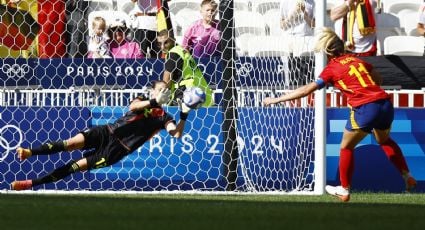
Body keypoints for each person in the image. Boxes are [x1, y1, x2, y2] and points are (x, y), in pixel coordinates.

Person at [263, 27, 417, 202]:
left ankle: (344, 189)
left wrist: (276, 100)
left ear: (328, 52)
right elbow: (378, 79)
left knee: (346, 147)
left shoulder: (332, 69)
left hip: (365, 107)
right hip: (384, 104)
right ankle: (407, 175)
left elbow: (307, 90)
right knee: (384, 140)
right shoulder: (358, 61)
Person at [11, 80, 192, 190]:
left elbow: (175, 134)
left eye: (165, 92)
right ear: (153, 91)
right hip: (107, 131)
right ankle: (29, 152)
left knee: (75, 166)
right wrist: (153, 102)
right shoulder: (141, 99)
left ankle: (31, 184)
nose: (163, 93)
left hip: (117, 150)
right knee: (70, 144)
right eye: (160, 90)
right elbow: (133, 107)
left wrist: (183, 115)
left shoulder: (164, 117)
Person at [157, 29, 213, 106]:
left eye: (166, 42)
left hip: (186, 95)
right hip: (201, 95)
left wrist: (157, 98)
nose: (162, 47)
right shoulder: (182, 51)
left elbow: (166, 82)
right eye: (159, 44)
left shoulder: (173, 54)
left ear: (173, 40)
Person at [279, 0, 316, 86]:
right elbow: (282, 25)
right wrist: (293, 14)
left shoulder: (312, 3)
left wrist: (304, 12)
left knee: (308, 78)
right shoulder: (285, 2)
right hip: (291, 42)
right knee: (293, 78)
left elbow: (313, 25)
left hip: (307, 43)